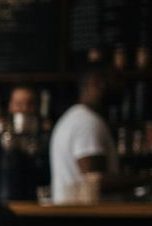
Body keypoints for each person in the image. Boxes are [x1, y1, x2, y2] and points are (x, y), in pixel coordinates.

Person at [49, 65, 120, 203]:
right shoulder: (87, 122)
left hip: (73, 217)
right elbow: (95, 180)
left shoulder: (75, 118)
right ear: (96, 83)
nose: (122, 87)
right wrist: (148, 178)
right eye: (116, 80)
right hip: (86, 219)